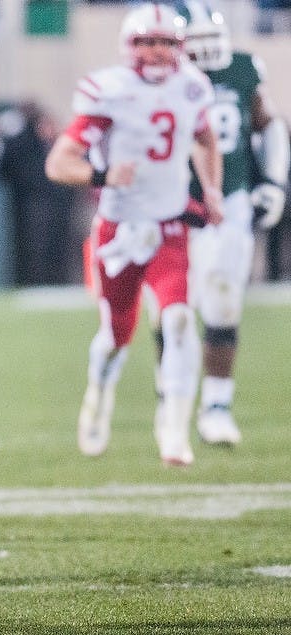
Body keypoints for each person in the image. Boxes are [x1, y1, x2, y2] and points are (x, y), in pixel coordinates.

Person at [45, 3, 223, 467]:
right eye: (147, 41)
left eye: (165, 42)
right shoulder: (110, 91)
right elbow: (59, 162)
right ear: (130, 46)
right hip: (120, 230)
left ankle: (174, 428)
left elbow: (206, 138)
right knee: (117, 334)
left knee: (180, 319)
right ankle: (99, 391)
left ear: (180, 48)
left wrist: (212, 190)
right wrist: (102, 175)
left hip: (169, 226)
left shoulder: (192, 87)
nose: (157, 52)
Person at [157, 1, 289, 446]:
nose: (206, 53)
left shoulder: (243, 68)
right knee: (172, 308)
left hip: (228, 199)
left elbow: (269, 125)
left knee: (222, 297)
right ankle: (170, 397)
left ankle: (216, 404)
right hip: (172, 202)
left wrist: (272, 180)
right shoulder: (159, 78)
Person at [0, 101, 79, 286]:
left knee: (58, 247)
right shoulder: (26, 147)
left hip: (58, 206)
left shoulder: (57, 147)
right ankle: (36, 282)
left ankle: (57, 281)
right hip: (36, 206)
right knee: (36, 247)